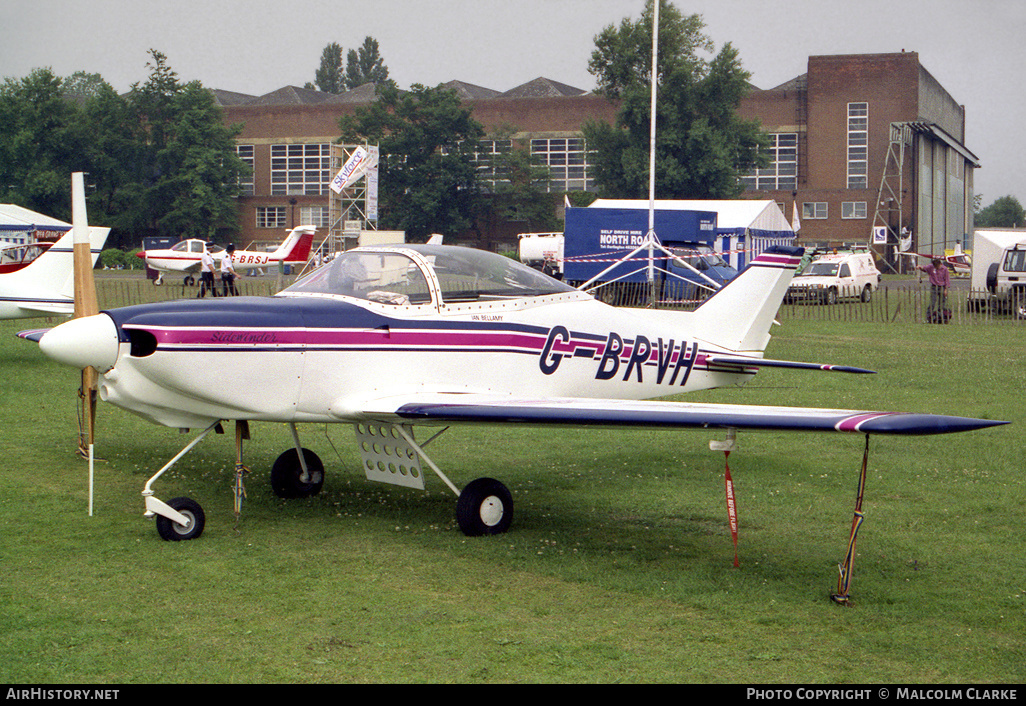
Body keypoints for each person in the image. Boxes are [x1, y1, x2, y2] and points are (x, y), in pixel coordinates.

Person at [917, 257, 950, 322]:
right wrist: (919, 267)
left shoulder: (945, 269)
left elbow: (947, 280)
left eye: (937, 266)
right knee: (932, 302)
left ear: (940, 264)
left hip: (942, 287)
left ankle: (941, 316)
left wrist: (945, 289)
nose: (936, 268)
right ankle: (929, 317)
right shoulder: (931, 267)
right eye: (935, 267)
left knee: (942, 303)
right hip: (934, 287)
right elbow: (925, 268)